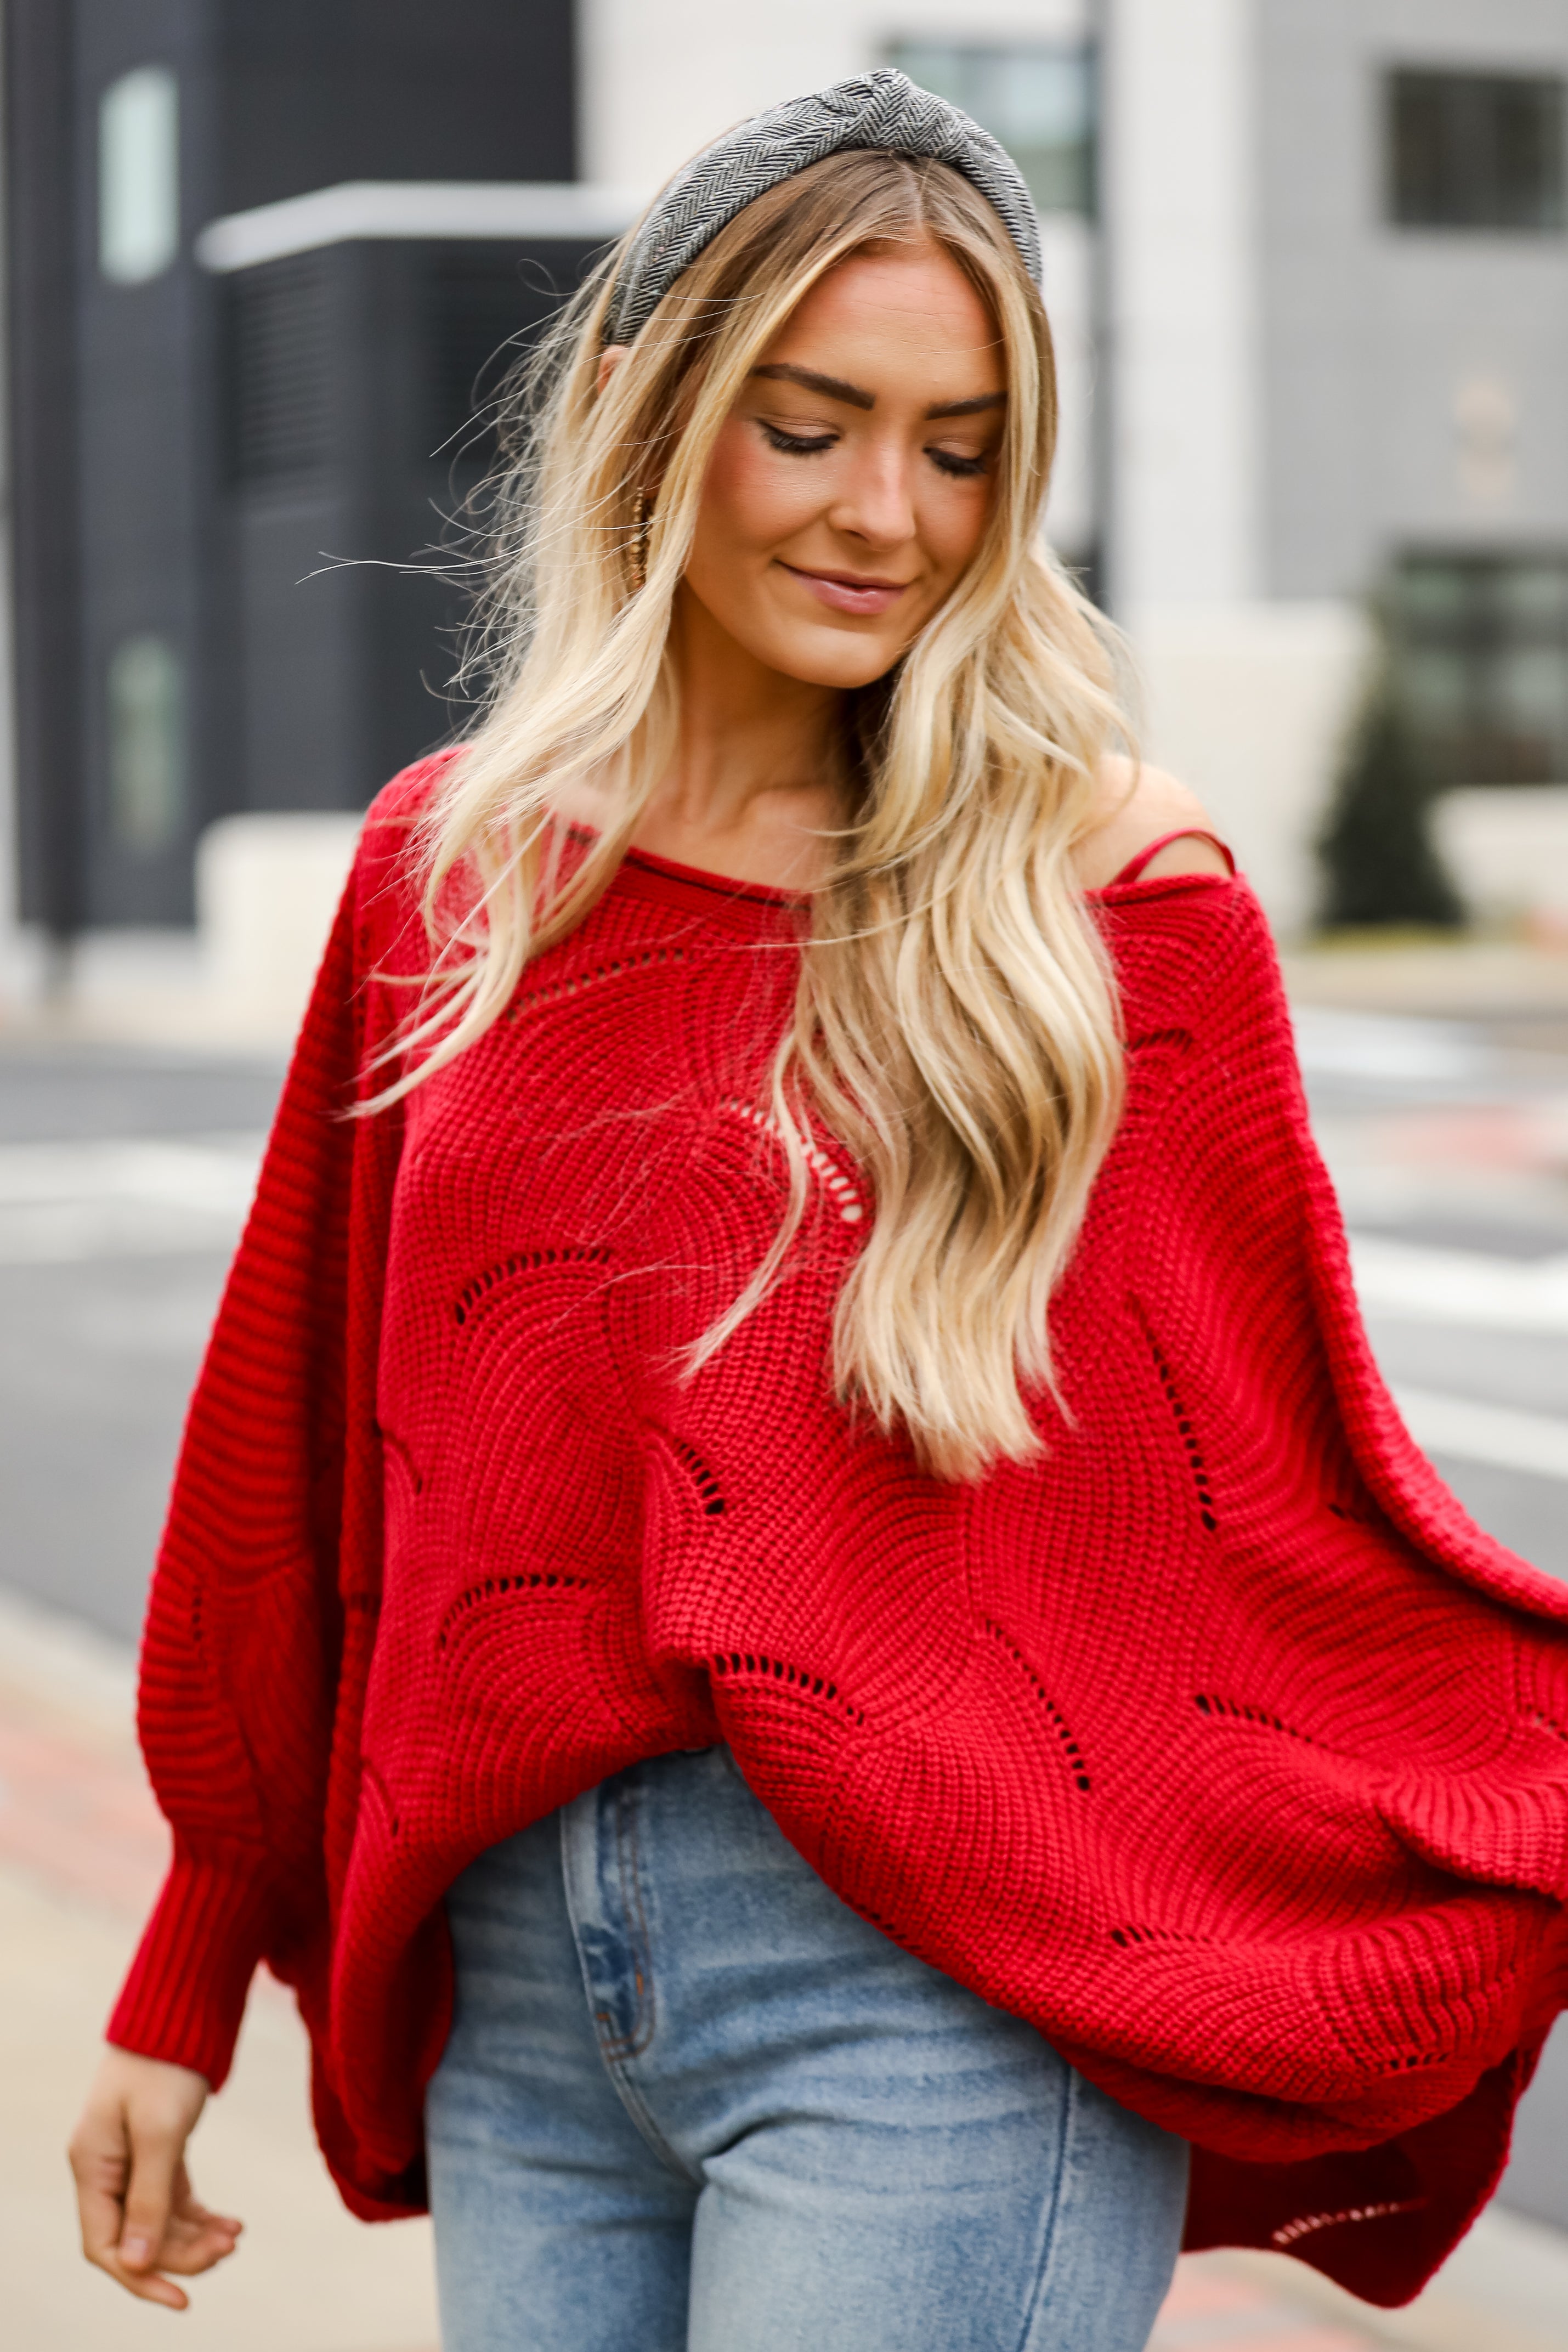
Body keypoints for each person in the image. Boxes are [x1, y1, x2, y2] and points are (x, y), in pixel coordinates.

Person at [70, 70, 1567, 2352]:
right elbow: (287, 1451)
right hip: (516, 2003)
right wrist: (191, 1956)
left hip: (929, 2005)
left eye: (960, 447)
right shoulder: (443, 876)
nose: (892, 511)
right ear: (639, 405)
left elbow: (1271, 1512)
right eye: (810, 423)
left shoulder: (1105, 901)